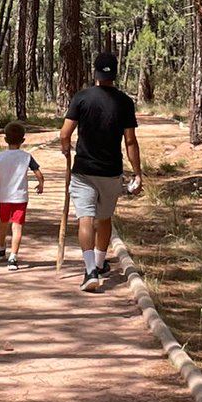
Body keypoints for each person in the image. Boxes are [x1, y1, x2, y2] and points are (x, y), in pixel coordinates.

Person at [59, 52, 143, 292]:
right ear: (114, 73)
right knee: (104, 218)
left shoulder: (82, 97)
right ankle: (98, 263)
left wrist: (66, 150)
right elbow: (130, 141)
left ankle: (90, 271)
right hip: (111, 172)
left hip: (84, 170)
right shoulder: (125, 102)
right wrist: (137, 173)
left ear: (94, 72)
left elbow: (65, 133)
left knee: (85, 218)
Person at [0, 121, 44, 271]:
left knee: (3, 223)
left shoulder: (0, 157)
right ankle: (13, 257)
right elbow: (38, 173)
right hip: (20, 197)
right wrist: (41, 184)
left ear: (5, 140)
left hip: (4, 197)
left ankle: (0, 247)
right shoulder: (26, 157)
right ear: (23, 140)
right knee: (17, 227)